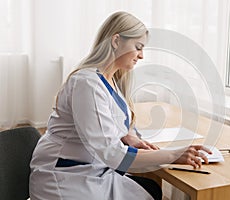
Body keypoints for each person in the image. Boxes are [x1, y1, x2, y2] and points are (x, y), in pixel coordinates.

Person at [29, 11, 212, 200]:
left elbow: (110, 121)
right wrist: (172, 155)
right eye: (138, 47)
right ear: (116, 41)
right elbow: (112, 153)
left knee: (150, 190)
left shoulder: (110, 80)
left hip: (90, 171)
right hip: (65, 178)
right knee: (150, 192)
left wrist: (127, 135)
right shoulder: (87, 84)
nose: (141, 56)